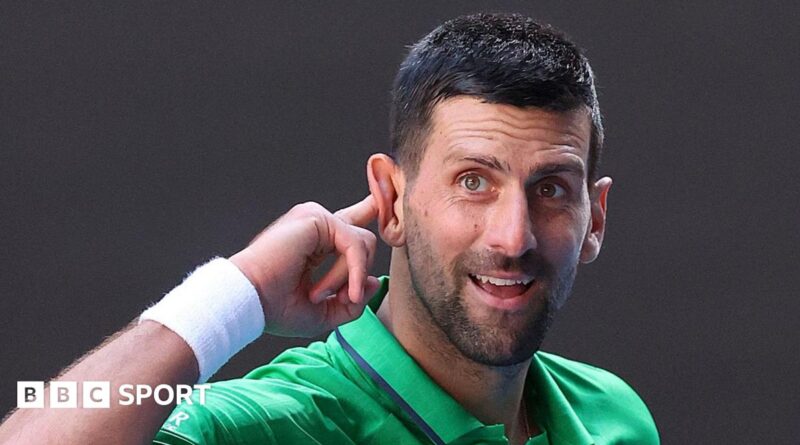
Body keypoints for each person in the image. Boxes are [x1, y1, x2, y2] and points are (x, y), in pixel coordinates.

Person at [0, 12, 659, 445]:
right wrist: (239, 291)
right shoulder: (274, 421)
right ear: (391, 201)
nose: (512, 236)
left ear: (593, 217)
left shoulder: (615, 417)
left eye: (549, 189)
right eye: (473, 182)